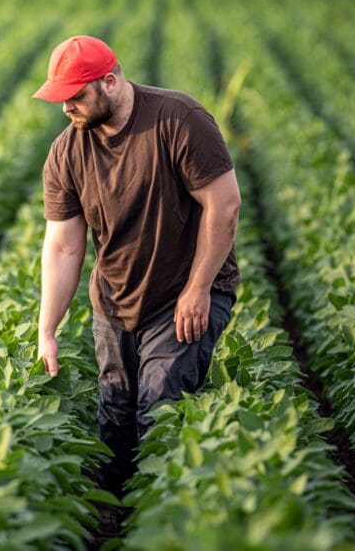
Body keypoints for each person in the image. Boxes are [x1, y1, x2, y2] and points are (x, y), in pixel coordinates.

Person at [33, 35, 241, 505]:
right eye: (60, 97)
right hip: (114, 300)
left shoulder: (179, 120)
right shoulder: (66, 153)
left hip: (180, 297)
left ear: (109, 82)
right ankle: (116, 519)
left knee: (160, 412)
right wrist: (48, 328)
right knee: (116, 416)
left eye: (76, 95)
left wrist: (199, 288)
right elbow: (64, 246)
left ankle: (163, 520)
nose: (67, 107)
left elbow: (224, 206)